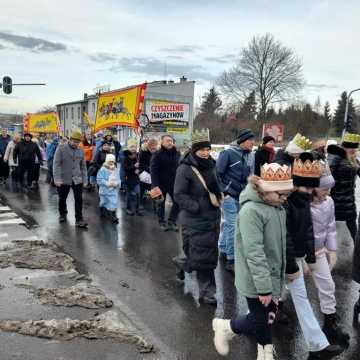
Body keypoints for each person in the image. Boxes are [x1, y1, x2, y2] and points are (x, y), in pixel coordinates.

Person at [212, 162, 293, 359]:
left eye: (286, 194)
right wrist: (264, 287)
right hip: (256, 277)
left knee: (264, 318)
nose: (284, 199)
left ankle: (226, 326)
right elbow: (254, 251)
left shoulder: (276, 207)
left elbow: (280, 243)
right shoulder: (251, 212)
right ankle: (264, 352)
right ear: (264, 190)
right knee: (262, 319)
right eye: (279, 194)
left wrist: (287, 268)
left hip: (271, 274)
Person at [284, 154, 343, 359]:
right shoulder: (290, 203)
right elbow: (286, 238)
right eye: (309, 188)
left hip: (305, 256)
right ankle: (234, 326)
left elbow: (315, 231)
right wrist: (293, 264)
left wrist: (318, 254)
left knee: (307, 297)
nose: (311, 192)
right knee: (270, 300)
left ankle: (320, 339)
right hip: (288, 260)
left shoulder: (311, 201)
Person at [174, 129, 222, 305]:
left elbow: (216, 184)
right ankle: (207, 292)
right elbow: (179, 195)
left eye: (208, 149)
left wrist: (221, 195)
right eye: (202, 149)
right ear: (194, 150)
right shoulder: (185, 168)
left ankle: (182, 264)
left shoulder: (211, 164)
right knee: (202, 255)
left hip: (212, 217)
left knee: (205, 255)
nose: (205, 152)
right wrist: (197, 207)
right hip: (194, 219)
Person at [309, 163, 349, 345]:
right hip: (301, 255)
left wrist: (332, 249)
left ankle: (330, 324)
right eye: (323, 188)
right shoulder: (303, 204)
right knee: (283, 289)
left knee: (328, 285)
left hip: (318, 252)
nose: (327, 191)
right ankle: (262, 316)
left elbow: (331, 226)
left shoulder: (329, 202)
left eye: (328, 188)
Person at [216, 128, 255, 273]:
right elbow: (217, 174)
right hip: (228, 196)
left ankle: (224, 250)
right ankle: (232, 260)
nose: (253, 143)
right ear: (243, 141)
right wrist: (223, 192)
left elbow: (250, 175)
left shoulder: (251, 156)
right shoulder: (227, 153)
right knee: (233, 226)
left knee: (231, 225)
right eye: (251, 141)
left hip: (242, 196)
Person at [327, 133, 360, 242]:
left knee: (353, 231)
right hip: (336, 201)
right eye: (351, 148)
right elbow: (327, 176)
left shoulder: (353, 160)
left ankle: (357, 254)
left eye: (355, 149)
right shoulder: (336, 157)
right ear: (344, 147)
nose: (353, 151)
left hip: (349, 202)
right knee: (331, 231)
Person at [53, 129, 88, 228]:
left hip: (77, 179)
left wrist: (85, 179)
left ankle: (79, 219)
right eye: (74, 141)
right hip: (64, 179)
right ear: (70, 140)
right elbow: (56, 165)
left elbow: (83, 166)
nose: (76, 144)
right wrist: (57, 179)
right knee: (62, 198)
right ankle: (63, 214)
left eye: (78, 142)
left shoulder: (80, 150)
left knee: (79, 199)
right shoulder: (61, 148)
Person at [150, 134, 180, 231]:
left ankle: (172, 221)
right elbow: (153, 170)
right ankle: (162, 222)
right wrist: (155, 186)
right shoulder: (157, 154)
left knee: (178, 201)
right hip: (160, 184)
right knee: (160, 204)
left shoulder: (177, 153)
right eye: (167, 141)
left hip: (174, 183)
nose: (170, 142)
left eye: (171, 141)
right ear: (162, 142)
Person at [96, 153, 120, 223]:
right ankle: (102, 210)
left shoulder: (115, 169)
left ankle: (113, 216)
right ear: (107, 161)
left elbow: (118, 178)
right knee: (103, 202)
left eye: (112, 161)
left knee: (113, 202)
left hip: (113, 190)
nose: (111, 163)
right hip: (104, 190)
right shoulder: (102, 169)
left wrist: (117, 183)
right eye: (110, 161)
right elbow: (99, 179)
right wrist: (106, 183)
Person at [123, 139, 142, 216]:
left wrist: (139, 170)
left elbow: (140, 166)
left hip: (136, 179)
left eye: (134, 147)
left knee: (138, 194)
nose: (133, 148)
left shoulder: (137, 157)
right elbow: (126, 168)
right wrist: (134, 166)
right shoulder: (126, 158)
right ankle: (128, 209)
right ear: (128, 148)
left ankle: (137, 209)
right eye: (131, 147)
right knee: (129, 195)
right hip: (128, 179)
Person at [139, 138, 158, 207]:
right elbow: (141, 164)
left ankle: (155, 204)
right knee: (142, 188)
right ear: (148, 146)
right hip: (144, 173)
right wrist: (149, 169)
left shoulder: (157, 152)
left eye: (155, 147)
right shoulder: (143, 152)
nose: (153, 149)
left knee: (154, 188)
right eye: (152, 147)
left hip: (153, 173)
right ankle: (140, 202)